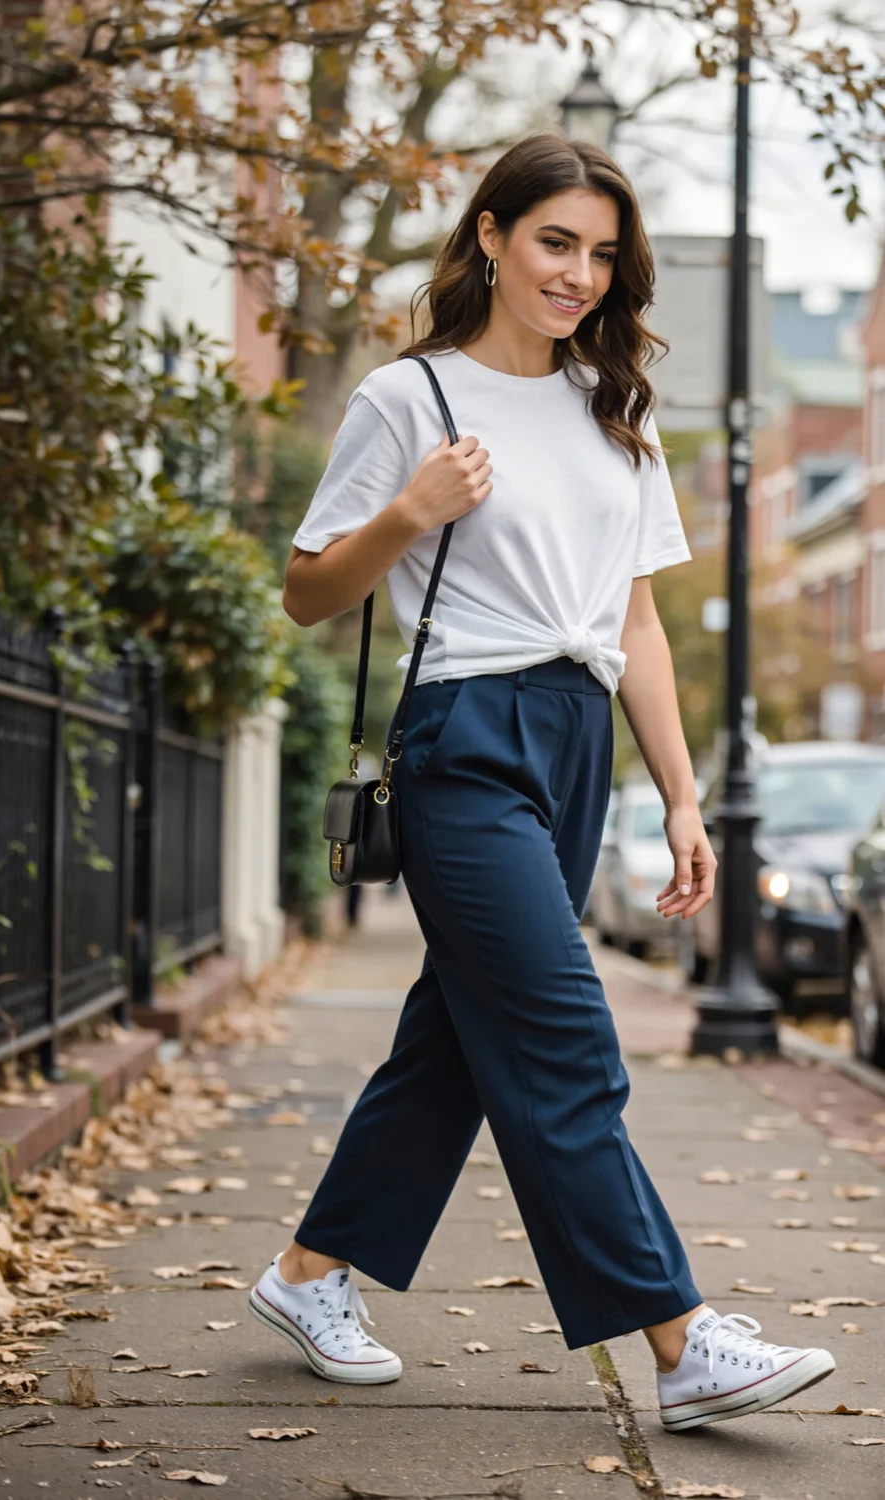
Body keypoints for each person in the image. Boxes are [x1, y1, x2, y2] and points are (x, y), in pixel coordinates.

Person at [248, 134, 835, 1432]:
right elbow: (306, 592)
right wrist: (408, 513)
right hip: (464, 738)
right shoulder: (410, 398)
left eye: (602, 254)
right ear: (492, 237)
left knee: (460, 1042)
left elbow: (635, 624)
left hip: (578, 740)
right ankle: (679, 1340)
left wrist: (680, 797)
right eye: (555, 242)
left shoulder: (615, 411)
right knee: (565, 1034)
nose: (578, 274)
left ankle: (306, 1274)